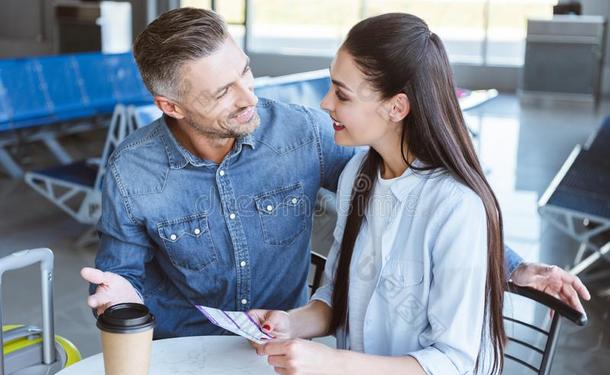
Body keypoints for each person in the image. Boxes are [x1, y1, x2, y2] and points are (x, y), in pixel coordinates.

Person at [80, 8, 590, 340]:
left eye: (246, 72)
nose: (249, 97)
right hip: (183, 353)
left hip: (285, 347)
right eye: (222, 93)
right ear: (170, 105)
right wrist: (120, 298)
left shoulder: (300, 132)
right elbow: (121, 277)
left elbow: (416, 185)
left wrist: (512, 265)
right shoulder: (132, 171)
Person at [248, 13, 587, 375]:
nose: (326, 103)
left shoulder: (456, 205)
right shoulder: (358, 174)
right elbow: (336, 295)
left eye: (342, 94)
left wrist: (333, 365)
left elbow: (450, 363)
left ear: (397, 108)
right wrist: (290, 323)